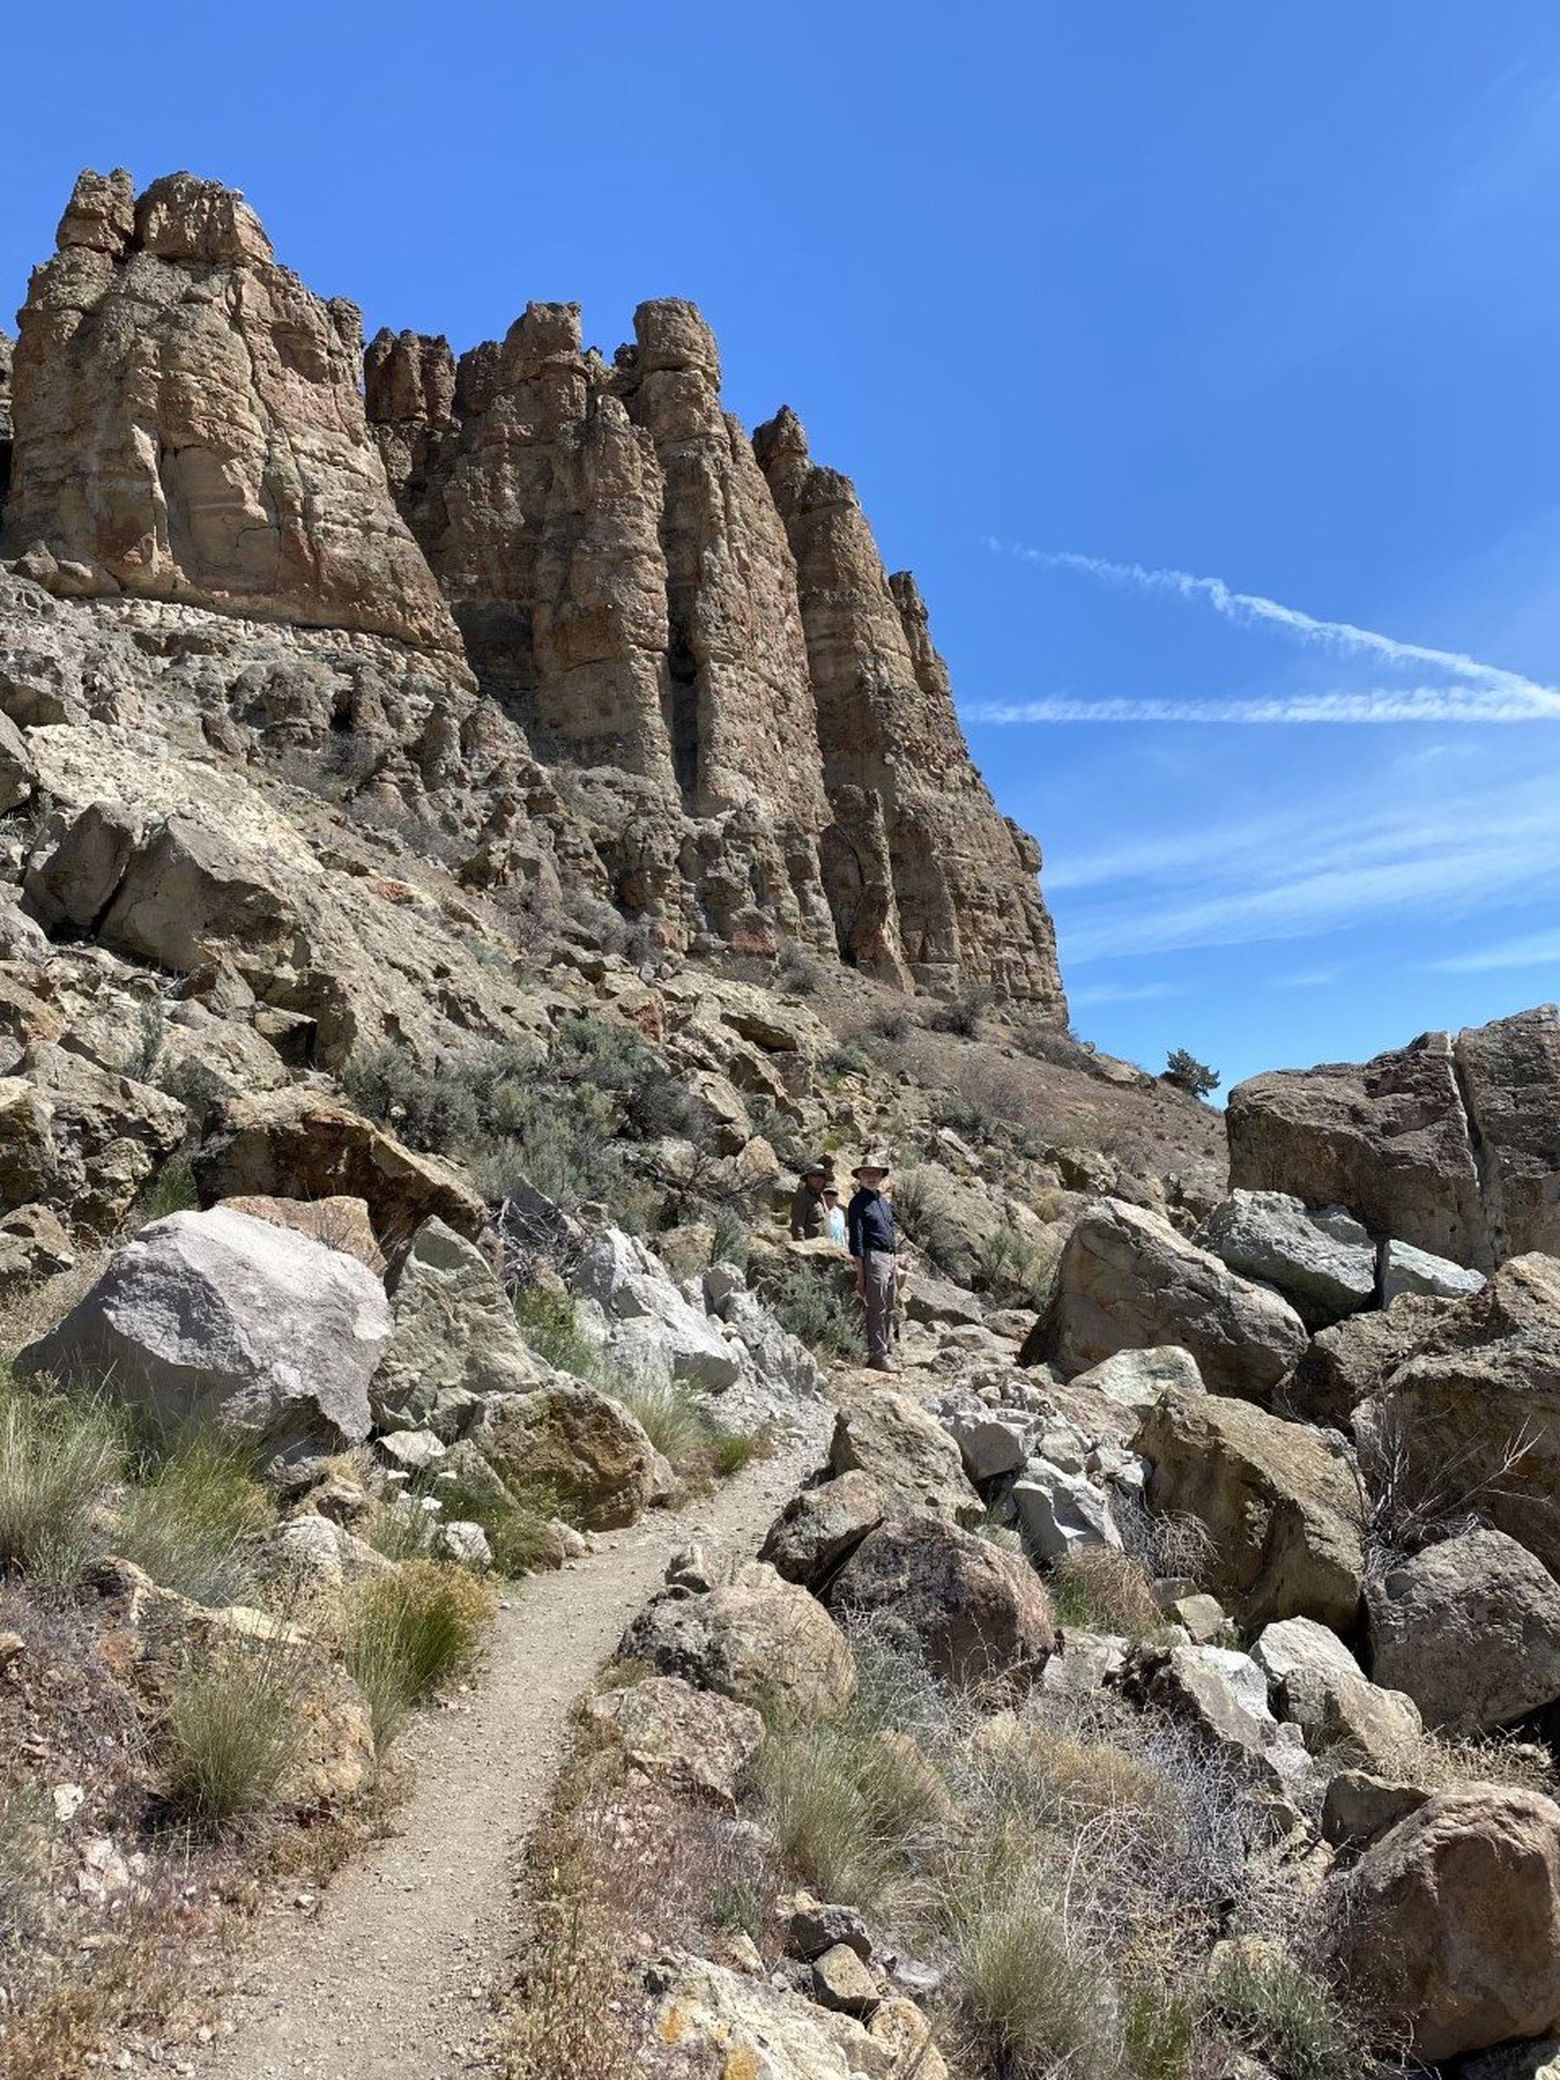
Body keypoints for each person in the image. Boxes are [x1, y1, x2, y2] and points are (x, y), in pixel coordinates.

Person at [846, 1153, 898, 1371]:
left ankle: (886, 1348)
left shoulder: (883, 1203)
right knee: (877, 1307)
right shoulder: (857, 1203)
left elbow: (890, 1231)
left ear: (880, 1176)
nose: (871, 1177)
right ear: (859, 1176)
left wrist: (896, 1258)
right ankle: (877, 1356)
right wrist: (860, 1271)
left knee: (890, 1305)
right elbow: (856, 1239)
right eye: (866, 1173)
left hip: (889, 1258)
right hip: (872, 1257)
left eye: (875, 1173)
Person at [790, 1160, 832, 1241]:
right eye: (816, 1175)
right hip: (811, 1248)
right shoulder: (802, 1198)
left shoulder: (821, 1197)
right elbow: (797, 1227)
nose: (819, 1179)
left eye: (822, 1175)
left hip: (825, 1246)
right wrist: (803, 1248)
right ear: (808, 1178)